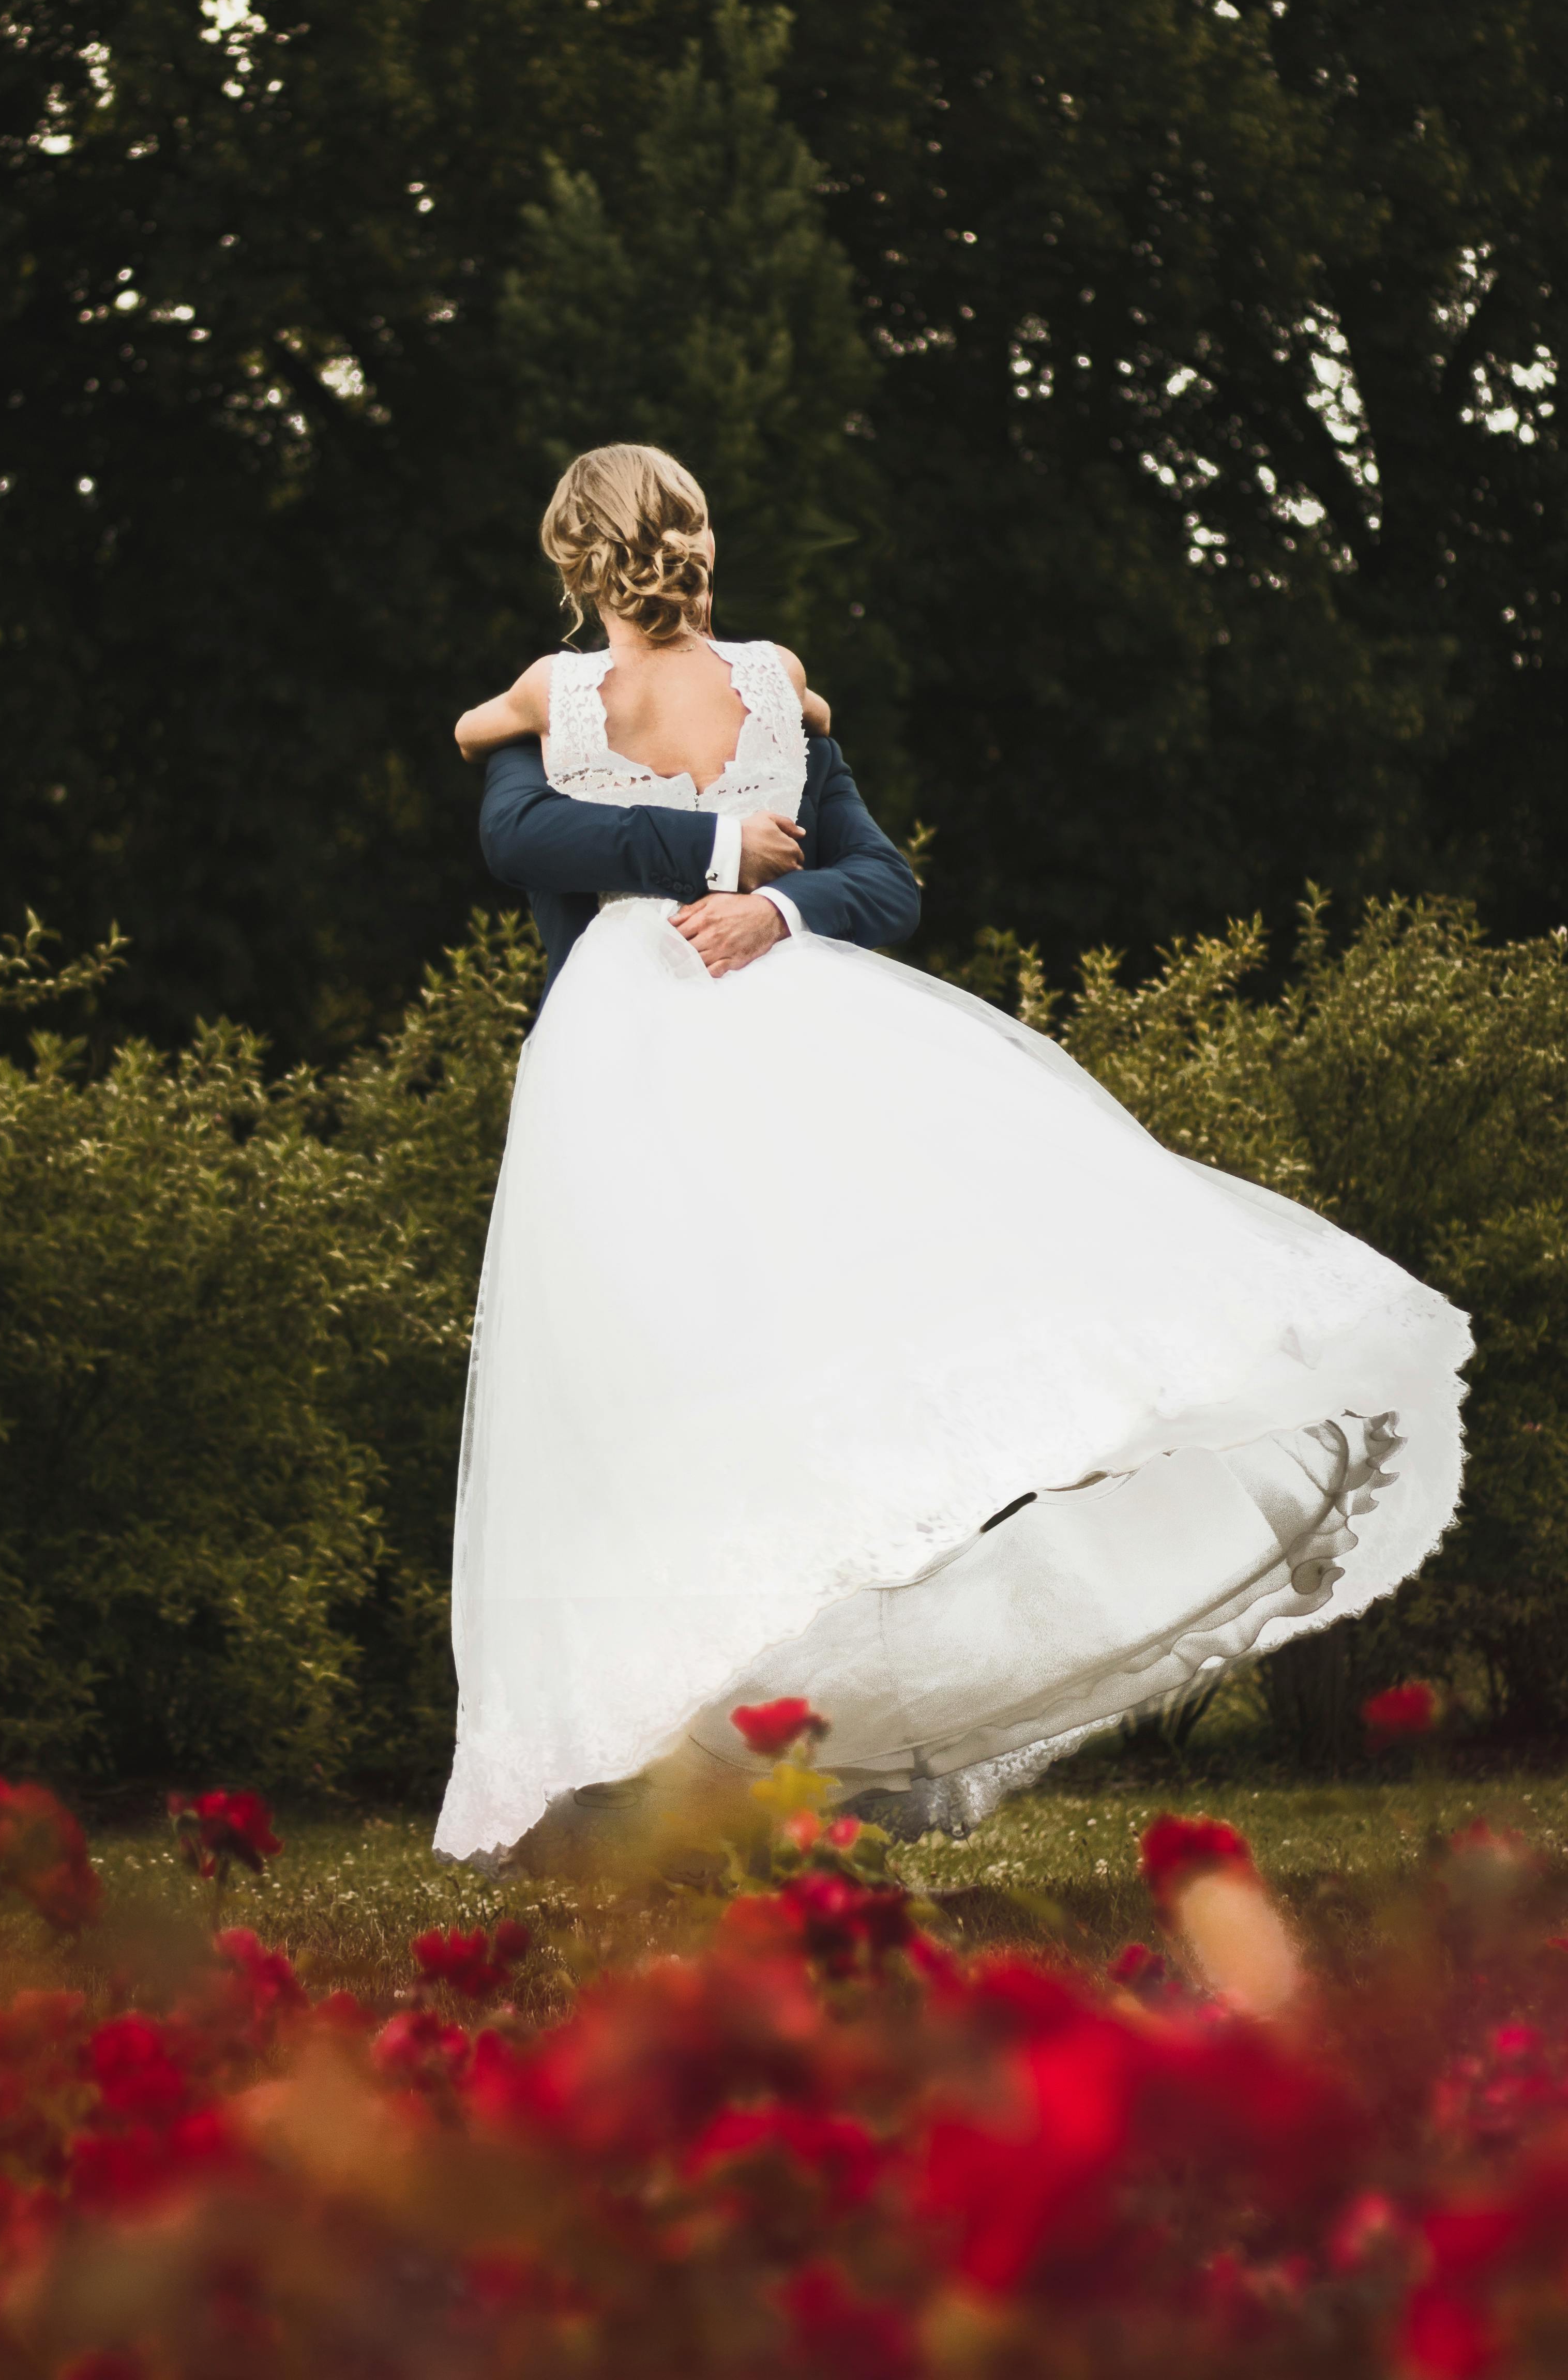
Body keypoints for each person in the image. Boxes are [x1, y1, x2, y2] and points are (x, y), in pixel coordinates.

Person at [434, 442, 1470, 1867]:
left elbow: (881, 879)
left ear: (571, 560)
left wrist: (779, 918)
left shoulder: (752, 688)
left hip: (783, 1055)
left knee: (815, 1377)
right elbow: (523, 844)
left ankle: (824, 1730)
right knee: (653, 1398)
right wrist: (730, 851)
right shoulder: (555, 706)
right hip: (625, 1090)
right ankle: (652, 1755)